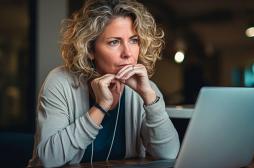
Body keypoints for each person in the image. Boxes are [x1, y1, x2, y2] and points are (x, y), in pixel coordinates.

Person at [27, 0, 180, 167]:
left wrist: (150, 98)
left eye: (134, 40)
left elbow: (169, 154)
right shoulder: (60, 82)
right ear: (90, 49)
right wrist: (101, 107)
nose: (127, 53)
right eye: (114, 42)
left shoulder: (147, 90)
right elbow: (47, 159)